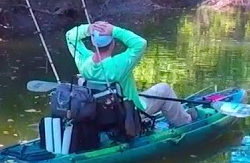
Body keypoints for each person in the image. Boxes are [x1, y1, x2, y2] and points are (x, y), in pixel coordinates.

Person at [64, 20, 192, 128]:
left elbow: (70, 36)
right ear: (112, 43)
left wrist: (89, 28)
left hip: (101, 112)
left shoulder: (84, 63)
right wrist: (113, 30)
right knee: (164, 89)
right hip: (131, 113)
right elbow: (140, 43)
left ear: (93, 42)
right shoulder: (118, 65)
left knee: (146, 92)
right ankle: (185, 123)